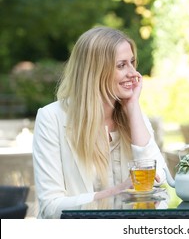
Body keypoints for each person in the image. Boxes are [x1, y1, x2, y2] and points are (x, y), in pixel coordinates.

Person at [32, 26, 167, 218]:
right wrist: (117, 192)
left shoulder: (135, 115)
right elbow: (51, 207)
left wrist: (133, 107)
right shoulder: (51, 118)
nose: (133, 73)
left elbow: (159, 183)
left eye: (132, 62)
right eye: (121, 65)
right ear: (95, 72)